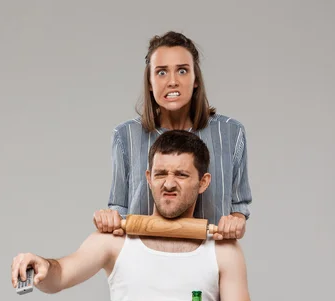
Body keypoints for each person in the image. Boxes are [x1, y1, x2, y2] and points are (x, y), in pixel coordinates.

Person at [12, 131, 256, 301]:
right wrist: (43, 266)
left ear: (203, 182)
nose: (169, 184)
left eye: (182, 175)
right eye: (161, 174)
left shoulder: (223, 250)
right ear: (149, 177)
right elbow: (59, 276)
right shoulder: (115, 241)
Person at [94, 31, 252, 241]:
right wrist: (109, 219)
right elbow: (119, 208)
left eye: (182, 71)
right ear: (149, 83)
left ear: (196, 79)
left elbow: (238, 205)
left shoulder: (231, 133)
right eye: (161, 72)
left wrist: (236, 221)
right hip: (144, 264)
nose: (172, 81)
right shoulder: (126, 136)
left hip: (209, 262)